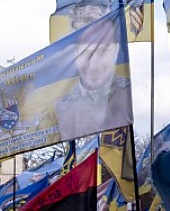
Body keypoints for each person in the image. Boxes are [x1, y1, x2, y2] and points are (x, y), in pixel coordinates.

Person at [55, 8, 132, 140]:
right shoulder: (58, 110)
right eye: (86, 53)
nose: (94, 65)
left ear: (116, 50)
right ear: (75, 55)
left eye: (103, 51)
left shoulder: (128, 94)